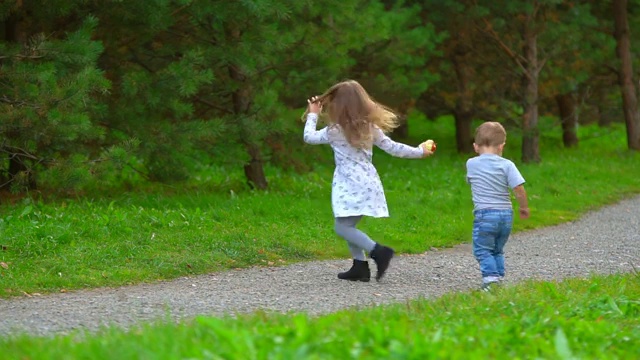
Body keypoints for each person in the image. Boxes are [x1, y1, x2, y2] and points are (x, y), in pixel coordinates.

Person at [302, 79, 434, 282]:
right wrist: (419, 152)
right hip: (368, 184)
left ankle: (379, 252)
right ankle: (359, 267)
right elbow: (393, 147)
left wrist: (313, 114)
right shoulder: (369, 127)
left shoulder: (334, 131)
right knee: (347, 225)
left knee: (343, 228)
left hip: (349, 185)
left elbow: (309, 137)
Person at [465, 121, 530, 291]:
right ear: (502, 146)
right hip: (506, 215)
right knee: (497, 249)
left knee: (482, 249)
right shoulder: (508, 165)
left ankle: (491, 281)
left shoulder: (471, 164)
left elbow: (470, 180)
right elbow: (518, 188)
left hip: (485, 215)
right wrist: (524, 207)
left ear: (475, 146)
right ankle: (498, 277)